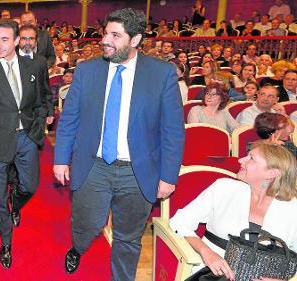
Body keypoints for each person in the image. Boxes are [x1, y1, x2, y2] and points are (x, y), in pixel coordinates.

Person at [53, 8, 184, 279]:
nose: (105, 40)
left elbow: (172, 130)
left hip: (138, 172)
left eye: (115, 35)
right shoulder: (87, 70)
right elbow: (70, 119)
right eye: (105, 33)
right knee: (86, 224)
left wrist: (168, 176)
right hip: (94, 166)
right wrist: (61, 159)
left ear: (135, 40)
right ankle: (78, 247)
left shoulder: (161, 74)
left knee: (128, 238)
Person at [0, 19, 50, 269]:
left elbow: (41, 99)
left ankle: (16, 200)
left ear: (17, 41)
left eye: (5, 39)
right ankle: (6, 241)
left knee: (29, 185)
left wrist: (38, 125)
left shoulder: (35, 65)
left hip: (27, 136)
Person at [170, 141, 297, 280]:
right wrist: (206, 252)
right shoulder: (224, 188)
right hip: (212, 273)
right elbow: (180, 222)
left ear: (272, 173)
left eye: (251, 158)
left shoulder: (292, 208)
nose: (241, 160)